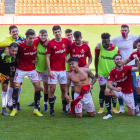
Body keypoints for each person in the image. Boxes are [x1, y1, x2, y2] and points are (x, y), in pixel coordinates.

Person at [96, 25, 140, 113]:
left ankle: (135, 105)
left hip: (130, 67)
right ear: (120, 31)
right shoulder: (116, 39)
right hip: (121, 66)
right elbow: (105, 42)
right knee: (120, 87)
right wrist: (98, 44)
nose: (124, 32)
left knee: (134, 87)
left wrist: (136, 45)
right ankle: (121, 107)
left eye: (125, 30)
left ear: (128, 30)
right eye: (122, 30)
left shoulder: (133, 37)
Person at [10, 29, 46, 116]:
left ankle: (36, 109)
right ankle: (14, 109)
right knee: (16, 88)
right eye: (30, 38)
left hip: (31, 69)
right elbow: (11, 47)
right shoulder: (21, 44)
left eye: (33, 38)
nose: (32, 40)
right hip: (21, 69)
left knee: (37, 88)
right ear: (26, 38)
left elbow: (44, 38)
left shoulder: (36, 41)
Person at [46, 25, 71, 116]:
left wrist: (84, 42)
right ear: (53, 33)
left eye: (58, 32)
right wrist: (49, 70)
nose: (57, 34)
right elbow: (47, 57)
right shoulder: (50, 43)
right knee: (52, 89)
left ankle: (64, 109)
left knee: (63, 89)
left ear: (61, 32)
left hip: (62, 70)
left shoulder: (65, 41)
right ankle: (51, 110)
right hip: (53, 70)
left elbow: (74, 44)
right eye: (55, 32)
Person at [105, 53, 140, 118]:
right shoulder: (113, 71)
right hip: (119, 91)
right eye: (117, 59)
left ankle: (128, 104)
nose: (119, 60)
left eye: (120, 59)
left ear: (122, 60)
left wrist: (137, 60)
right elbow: (108, 84)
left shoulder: (127, 68)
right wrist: (115, 89)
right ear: (114, 61)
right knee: (107, 91)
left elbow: (138, 69)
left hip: (128, 93)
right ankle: (109, 113)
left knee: (131, 114)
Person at [0, 25, 25, 111]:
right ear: (10, 33)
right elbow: (1, 44)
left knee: (18, 83)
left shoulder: (22, 38)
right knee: (7, 85)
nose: (15, 33)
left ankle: (15, 102)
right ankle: (8, 104)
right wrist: (8, 47)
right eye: (13, 32)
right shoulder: (8, 39)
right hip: (7, 67)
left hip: (19, 65)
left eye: (16, 31)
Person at [95, 33, 119, 119]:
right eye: (103, 42)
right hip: (102, 73)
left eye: (106, 42)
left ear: (109, 40)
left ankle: (114, 107)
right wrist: (97, 71)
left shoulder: (116, 49)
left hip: (112, 74)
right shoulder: (99, 48)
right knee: (102, 90)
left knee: (112, 90)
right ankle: (101, 107)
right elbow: (96, 59)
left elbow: (118, 61)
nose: (104, 44)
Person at [0, 43, 18, 115]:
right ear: (9, 49)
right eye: (12, 51)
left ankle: (4, 108)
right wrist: (5, 48)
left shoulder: (17, 54)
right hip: (1, 71)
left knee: (4, 88)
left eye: (15, 51)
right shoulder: (1, 54)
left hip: (5, 73)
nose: (14, 53)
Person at [123, 39, 140, 116]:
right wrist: (119, 65)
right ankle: (139, 109)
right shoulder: (135, 53)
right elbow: (127, 60)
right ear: (136, 45)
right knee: (138, 90)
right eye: (139, 46)